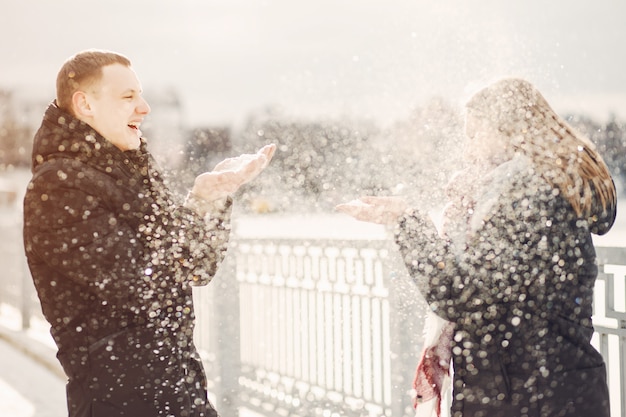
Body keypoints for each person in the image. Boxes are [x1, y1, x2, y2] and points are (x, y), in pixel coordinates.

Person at [337, 78, 617, 417]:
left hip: (532, 400)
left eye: (474, 135)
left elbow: (460, 292)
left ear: (508, 131)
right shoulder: (524, 194)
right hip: (533, 393)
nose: (468, 150)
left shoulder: (529, 199)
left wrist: (408, 221)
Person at [22, 49, 276, 417]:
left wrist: (208, 199)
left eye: (140, 95)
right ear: (85, 104)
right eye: (128, 97)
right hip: (121, 401)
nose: (144, 108)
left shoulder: (129, 173)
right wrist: (188, 224)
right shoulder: (59, 188)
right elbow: (145, 285)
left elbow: (196, 265)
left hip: (176, 389)